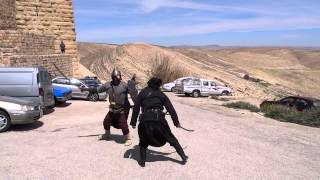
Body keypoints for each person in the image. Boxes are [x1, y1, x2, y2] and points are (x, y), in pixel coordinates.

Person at [130, 77, 188, 167]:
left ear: (149, 83)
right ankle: (183, 157)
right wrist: (176, 122)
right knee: (171, 138)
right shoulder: (161, 94)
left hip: (144, 120)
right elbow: (171, 109)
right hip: (159, 120)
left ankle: (142, 162)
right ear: (158, 85)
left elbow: (136, 108)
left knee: (143, 141)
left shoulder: (142, 93)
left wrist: (133, 122)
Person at [83, 68, 137, 146]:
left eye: (119, 77)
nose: (118, 79)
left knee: (123, 125)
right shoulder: (107, 85)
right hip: (112, 109)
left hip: (122, 109)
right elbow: (97, 89)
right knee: (106, 122)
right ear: (113, 78)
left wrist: (132, 84)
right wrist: (85, 89)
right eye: (116, 77)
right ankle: (107, 134)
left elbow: (133, 92)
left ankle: (128, 138)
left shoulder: (124, 85)